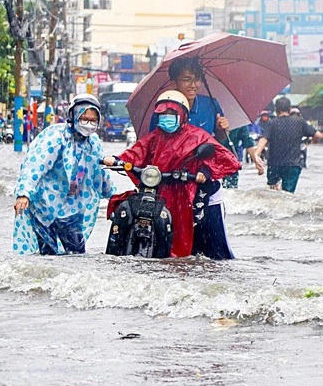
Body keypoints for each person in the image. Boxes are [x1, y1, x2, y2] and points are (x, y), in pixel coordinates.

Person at [104, 90, 241, 259]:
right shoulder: (154, 137)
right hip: (160, 191)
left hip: (186, 193)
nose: (166, 117)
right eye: (163, 113)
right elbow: (136, 153)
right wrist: (116, 159)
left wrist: (204, 172)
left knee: (191, 243)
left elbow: (226, 160)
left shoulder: (197, 136)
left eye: (172, 113)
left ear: (183, 115)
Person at [13, 93, 115, 255]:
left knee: (76, 253)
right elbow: (35, 165)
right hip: (45, 206)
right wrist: (24, 193)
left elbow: (99, 173)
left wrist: (115, 197)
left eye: (93, 120)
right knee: (48, 255)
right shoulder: (56, 137)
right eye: (84, 118)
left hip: (72, 208)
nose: (88, 124)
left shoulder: (93, 142)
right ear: (73, 116)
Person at [254, 97, 323, 193]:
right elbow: (318, 135)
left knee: (272, 193)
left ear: (276, 110)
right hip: (292, 165)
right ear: (290, 109)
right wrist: (314, 140)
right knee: (288, 195)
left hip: (274, 164)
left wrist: (256, 154)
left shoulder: (272, 123)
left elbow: (264, 139)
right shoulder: (299, 122)